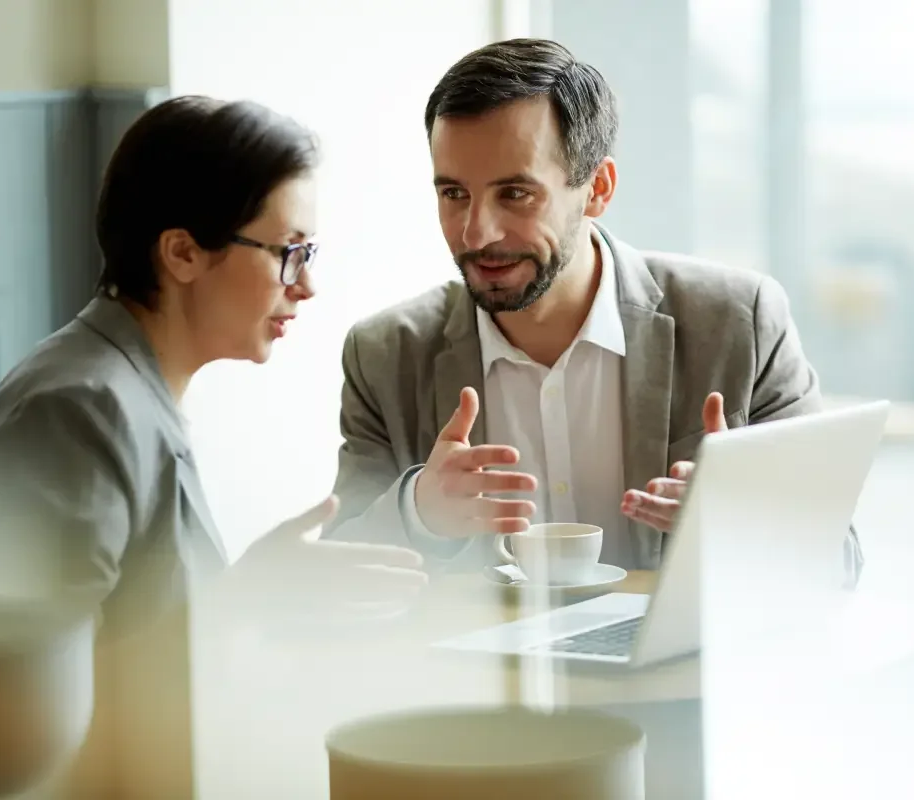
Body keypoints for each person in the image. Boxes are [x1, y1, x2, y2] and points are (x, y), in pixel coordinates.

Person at [0, 95, 427, 797]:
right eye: (288, 253)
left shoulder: (119, 388)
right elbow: (38, 708)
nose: (307, 286)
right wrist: (250, 597)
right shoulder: (79, 411)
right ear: (182, 251)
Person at [324, 38, 862, 582]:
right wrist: (419, 514)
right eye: (454, 194)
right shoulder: (385, 354)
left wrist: (745, 526)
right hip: (479, 668)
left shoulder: (739, 322)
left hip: (682, 665)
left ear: (597, 189)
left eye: (514, 193)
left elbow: (838, 558)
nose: (477, 232)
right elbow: (335, 575)